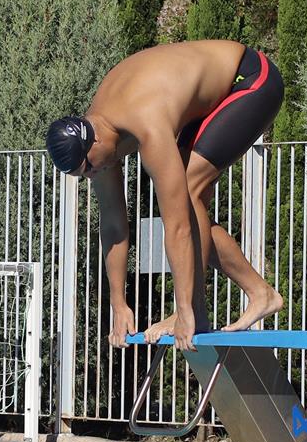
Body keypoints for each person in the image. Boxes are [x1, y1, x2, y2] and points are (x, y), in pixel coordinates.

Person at [45, 40, 287, 351]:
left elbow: (178, 227)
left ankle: (197, 311)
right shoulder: (98, 137)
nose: (91, 174)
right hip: (207, 101)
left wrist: (184, 311)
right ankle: (260, 293)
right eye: (83, 175)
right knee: (190, 204)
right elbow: (114, 227)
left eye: (89, 166)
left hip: (250, 80)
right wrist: (118, 304)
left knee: (189, 190)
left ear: (94, 142)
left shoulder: (146, 122)